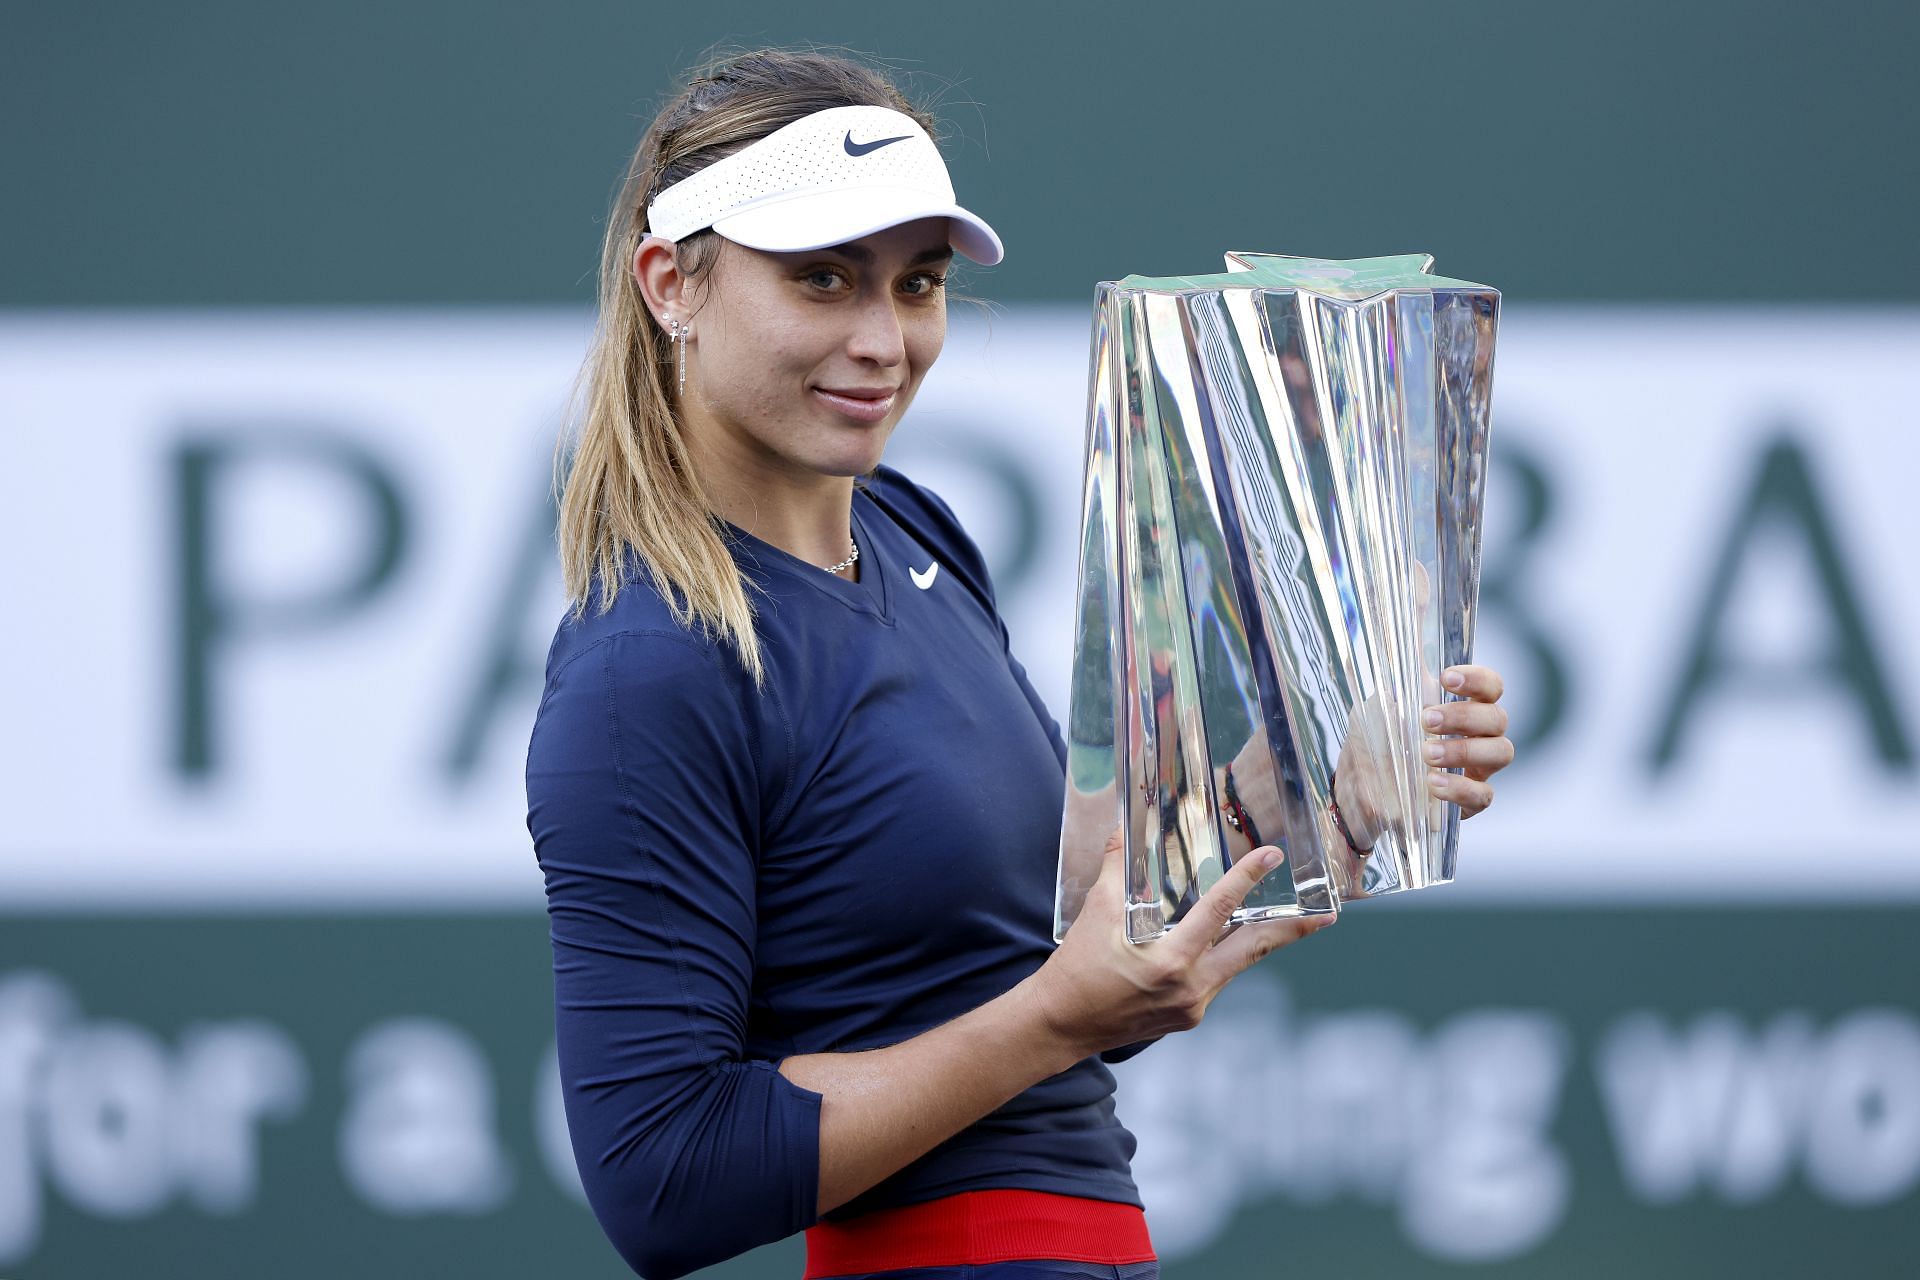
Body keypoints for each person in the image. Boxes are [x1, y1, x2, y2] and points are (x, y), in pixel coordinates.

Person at [523, 47, 1517, 1280]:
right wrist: (1060, 1014)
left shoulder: (914, 529)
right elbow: (661, 1175)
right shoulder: (646, 667)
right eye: (823, 280)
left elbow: (1064, 950)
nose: (883, 339)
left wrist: (1324, 785)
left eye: (918, 284)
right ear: (673, 283)